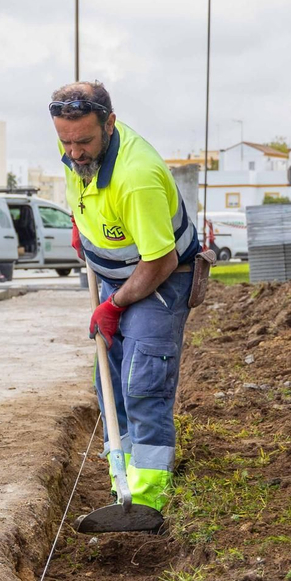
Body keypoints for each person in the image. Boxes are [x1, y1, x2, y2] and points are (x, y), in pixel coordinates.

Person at [55, 81, 201, 513]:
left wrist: (114, 305)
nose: (75, 152)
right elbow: (85, 195)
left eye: (84, 141)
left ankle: (150, 497)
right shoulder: (74, 152)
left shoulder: (136, 176)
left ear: (110, 123)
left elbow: (161, 261)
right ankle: (124, 479)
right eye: (66, 141)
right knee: (111, 381)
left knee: (142, 381)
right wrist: (83, 229)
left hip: (162, 275)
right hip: (115, 275)